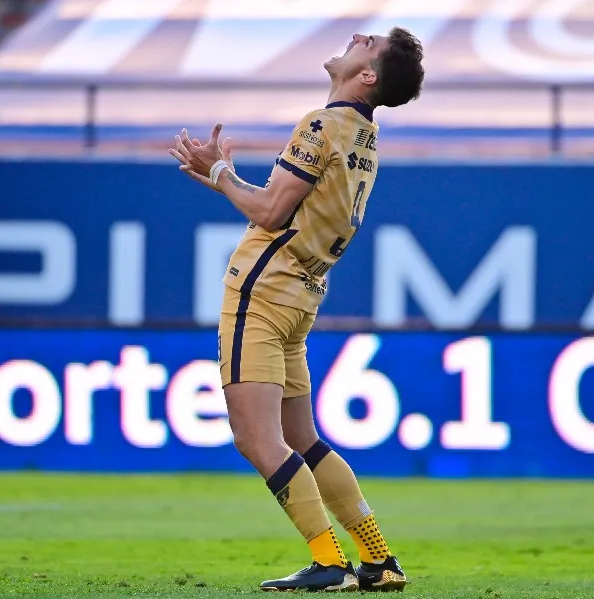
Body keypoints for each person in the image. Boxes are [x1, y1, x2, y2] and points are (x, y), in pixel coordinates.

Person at [169, 28, 424, 592]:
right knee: (301, 436)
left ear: (368, 76)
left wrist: (219, 175)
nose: (358, 36)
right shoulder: (363, 135)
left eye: (370, 43)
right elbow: (290, 210)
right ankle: (378, 560)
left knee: (257, 440)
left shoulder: (323, 124)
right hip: (301, 295)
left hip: (261, 292)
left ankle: (329, 561)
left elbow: (268, 210)